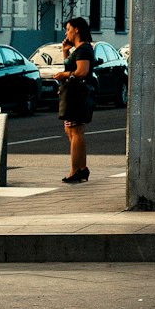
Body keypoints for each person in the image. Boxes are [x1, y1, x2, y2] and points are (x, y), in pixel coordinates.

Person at [55, 16, 96, 184]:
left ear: (77, 29)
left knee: (76, 131)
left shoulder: (84, 49)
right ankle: (82, 168)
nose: (67, 33)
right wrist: (65, 50)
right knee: (71, 131)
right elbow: (70, 67)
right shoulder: (78, 50)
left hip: (78, 95)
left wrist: (63, 75)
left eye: (68, 29)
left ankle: (75, 170)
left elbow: (81, 72)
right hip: (72, 94)